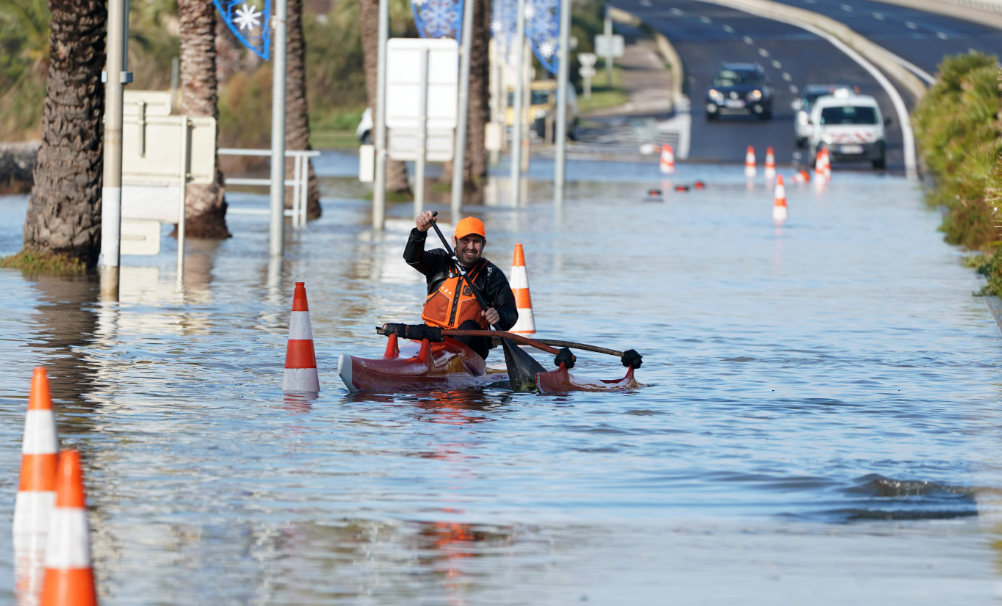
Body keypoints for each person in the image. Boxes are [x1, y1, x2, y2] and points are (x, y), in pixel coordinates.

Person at [404, 211, 518, 359]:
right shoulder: (440, 261)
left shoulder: (492, 275)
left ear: (484, 244)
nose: (470, 246)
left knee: (469, 326)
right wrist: (420, 232)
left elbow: (511, 314)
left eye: (476, 241)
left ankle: (445, 360)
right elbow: (412, 258)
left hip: (472, 348)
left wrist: (499, 316)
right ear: (454, 241)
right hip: (433, 341)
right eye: (465, 240)